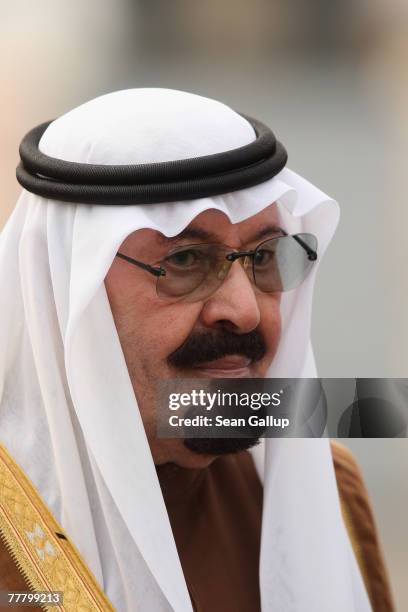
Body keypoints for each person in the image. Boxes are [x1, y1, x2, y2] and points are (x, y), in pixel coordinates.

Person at [0, 88, 393, 611]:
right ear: (67, 290)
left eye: (265, 257)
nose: (245, 310)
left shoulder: (328, 493)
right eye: (185, 260)